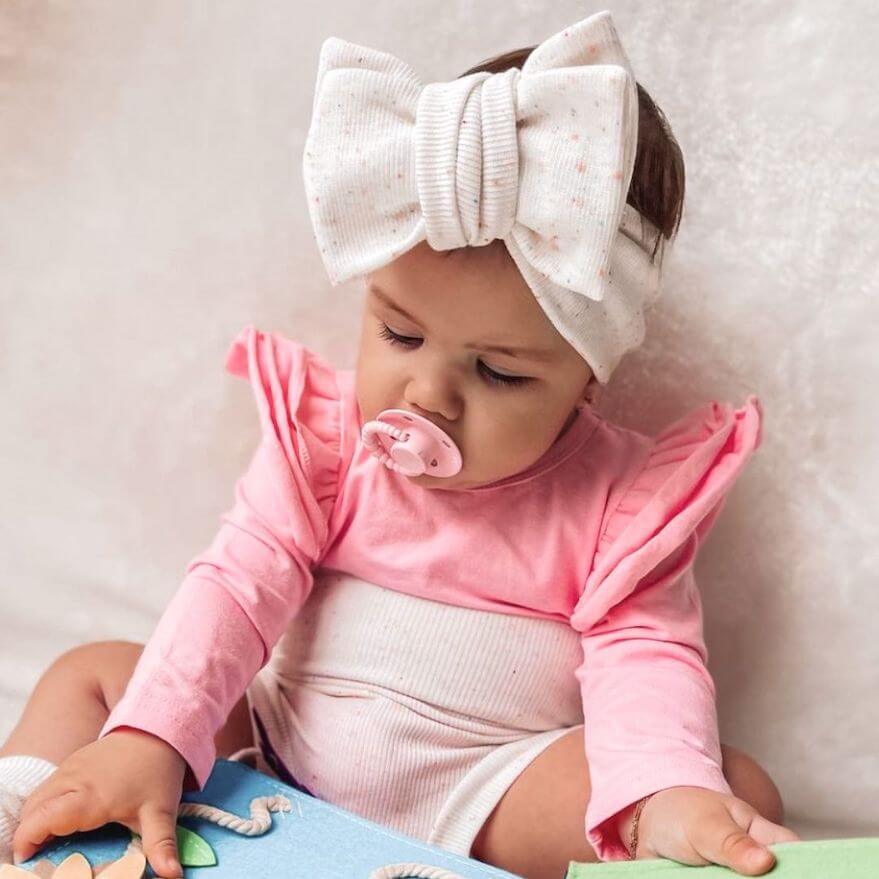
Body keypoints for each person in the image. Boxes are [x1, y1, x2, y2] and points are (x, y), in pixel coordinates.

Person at [0, 11, 801, 879]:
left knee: (728, 791)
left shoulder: (620, 500)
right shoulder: (327, 442)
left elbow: (645, 656)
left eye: (498, 372)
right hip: (276, 745)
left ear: (588, 378)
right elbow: (237, 581)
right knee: (97, 675)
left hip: (490, 788)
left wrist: (665, 788)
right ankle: (23, 816)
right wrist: (155, 733)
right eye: (400, 334)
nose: (428, 395)